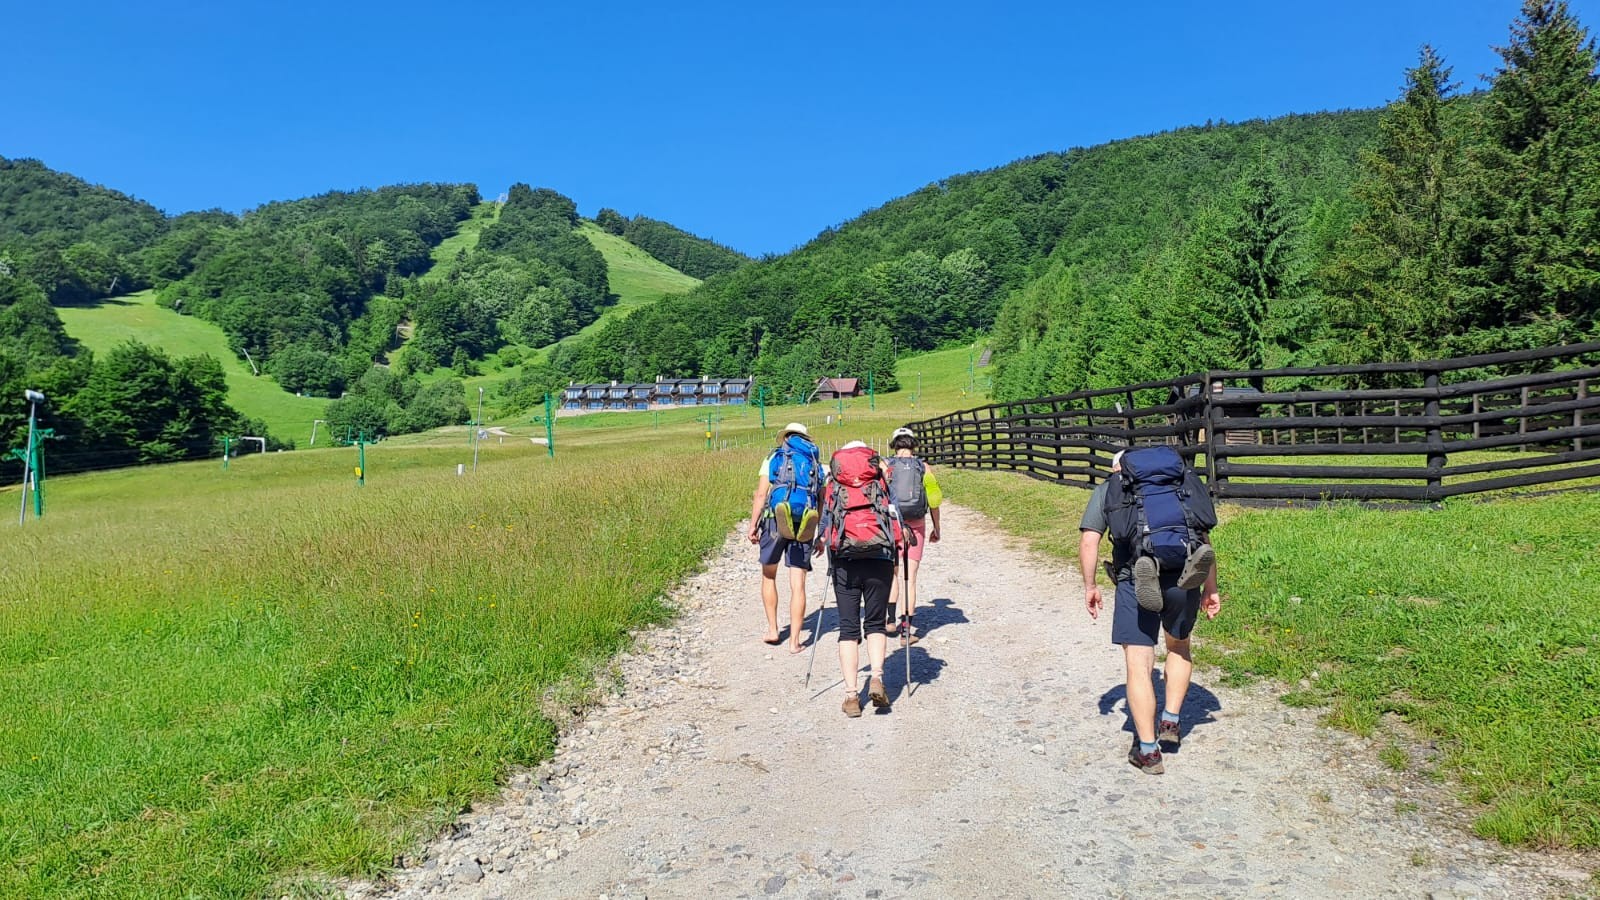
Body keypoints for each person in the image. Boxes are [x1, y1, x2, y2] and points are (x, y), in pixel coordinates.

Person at [1080, 450, 1221, 775]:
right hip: (1183, 573)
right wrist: (1211, 588)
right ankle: (1170, 721)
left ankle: (1147, 751)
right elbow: (1202, 536)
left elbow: (1090, 541)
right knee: (1179, 646)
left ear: (1119, 468)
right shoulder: (1178, 485)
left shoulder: (1110, 488)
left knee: (1139, 664)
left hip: (1133, 578)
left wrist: (1090, 586)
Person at [820, 440, 900, 717]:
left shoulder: (834, 484)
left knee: (848, 628)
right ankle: (876, 677)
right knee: (876, 623)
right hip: (880, 557)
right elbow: (895, 516)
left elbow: (827, 521)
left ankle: (852, 696)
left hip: (845, 561)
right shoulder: (880, 480)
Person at [748, 422, 822, 654]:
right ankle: (795, 642)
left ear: (786, 437)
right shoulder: (814, 461)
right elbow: (821, 498)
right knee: (798, 582)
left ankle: (773, 629)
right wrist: (819, 533)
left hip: (774, 519)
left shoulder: (774, 457)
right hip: (805, 519)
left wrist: (752, 525)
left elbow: (761, 494)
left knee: (769, 575)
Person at [883, 427, 943, 645]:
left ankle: (890, 621)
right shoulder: (923, 467)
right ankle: (906, 631)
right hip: (916, 524)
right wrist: (937, 528)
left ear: (894, 445)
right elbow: (934, 500)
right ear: (913, 445)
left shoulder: (885, 466)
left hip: (891, 524)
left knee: (892, 572)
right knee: (911, 576)